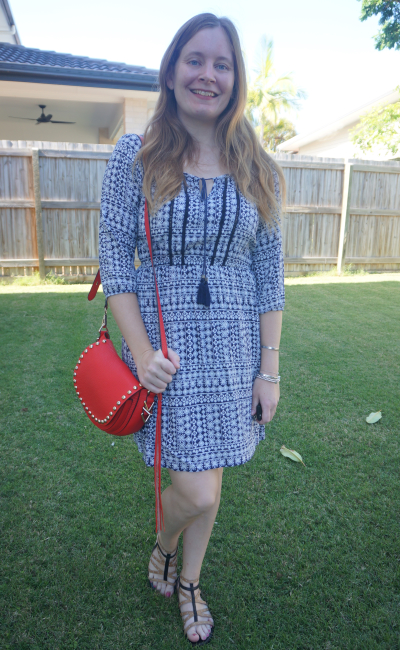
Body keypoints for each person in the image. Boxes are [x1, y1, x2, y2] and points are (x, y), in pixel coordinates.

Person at [99, 12, 286, 646]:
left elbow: (269, 276)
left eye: (223, 64)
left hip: (234, 347)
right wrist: (143, 351)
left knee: (213, 479)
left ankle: (186, 577)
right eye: (196, 60)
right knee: (197, 489)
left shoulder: (255, 162)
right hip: (167, 350)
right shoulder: (136, 154)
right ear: (173, 70)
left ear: (235, 80)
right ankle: (165, 546)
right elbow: (116, 259)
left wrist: (269, 369)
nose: (208, 74)